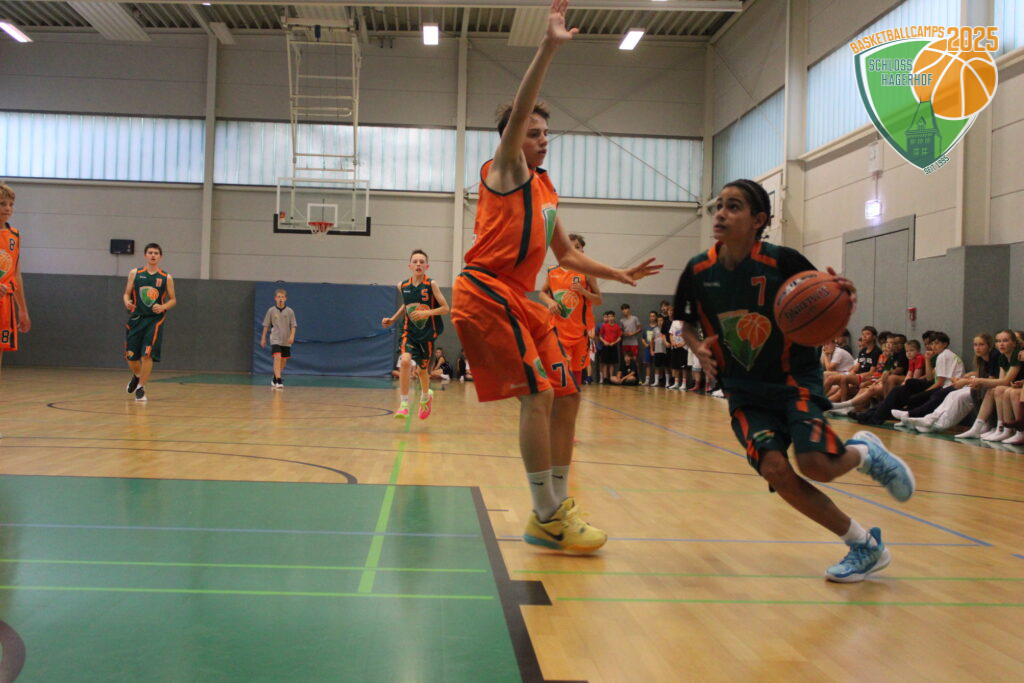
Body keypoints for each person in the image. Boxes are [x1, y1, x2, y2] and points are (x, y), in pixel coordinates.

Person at [450, 0, 661, 555]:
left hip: (520, 297)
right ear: (513, 137)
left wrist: (619, 272)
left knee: (568, 393)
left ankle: (558, 505)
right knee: (539, 394)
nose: (543, 138)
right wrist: (548, 47)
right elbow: (521, 109)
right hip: (485, 289)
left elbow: (565, 253)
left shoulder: (545, 189)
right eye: (534, 131)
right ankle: (544, 514)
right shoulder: (505, 169)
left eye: (547, 133)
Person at [675, 178, 915, 583]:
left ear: (759, 220)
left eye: (733, 206)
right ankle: (863, 545)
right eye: (719, 206)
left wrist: (843, 299)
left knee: (816, 465)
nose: (721, 214)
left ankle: (864, 453)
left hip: (793, 380)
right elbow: (685, 324)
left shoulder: (783, 261)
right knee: (775, 469)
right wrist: (698, 347)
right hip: (743, 390)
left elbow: (827, 300)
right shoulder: (698, 270)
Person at [382, 249, 450, 420]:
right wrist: (393, 319)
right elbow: (406, 305)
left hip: (427, 334)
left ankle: (426, 397)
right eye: (415, 261)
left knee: (422, 372)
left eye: (421, 262)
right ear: (410, 265)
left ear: (427, 266)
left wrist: (426, 313)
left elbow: (445, 308)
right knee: (405, 361)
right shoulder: (402, 286)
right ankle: (404, 404)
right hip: (409, 331)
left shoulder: (431, 284)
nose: (418, 264)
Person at [538, 232, 602, 387]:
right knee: (561, 370)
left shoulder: (588, 272)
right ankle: (559, 397)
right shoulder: (553, 271)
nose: (576, 250)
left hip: (581, 332)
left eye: (578, 247)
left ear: (582, 250)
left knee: (577, 371)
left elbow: (599, 300)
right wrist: (550, 302)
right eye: (571, 247)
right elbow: (542, 293)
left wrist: (583, 291)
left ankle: (574, 398)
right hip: (559, 330)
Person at [123, 243, 176, 402]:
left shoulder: (166, 277)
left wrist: (163, 306)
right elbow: (126, 294)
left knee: (147, 355)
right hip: (136, 318)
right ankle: (137, 375)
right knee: (131, 356)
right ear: (145, 255)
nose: (153, 255)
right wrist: (127, 302)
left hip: (154, 320)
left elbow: (173, 300)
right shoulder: (135, 273)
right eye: (150, 252)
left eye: (156, 253)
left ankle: (141, 387)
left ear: (160, 256)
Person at [0, 183, 31, 382]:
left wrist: (23, 310)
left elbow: (16, 274)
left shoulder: (14, 235)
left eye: (11, 204)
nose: (7, 208)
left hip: (6, 301)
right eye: (2, 204)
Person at [260, 288, 297, 389]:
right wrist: (263, 338)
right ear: (275, 298)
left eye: (282, 297)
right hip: (275, 338)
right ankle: (279, 380)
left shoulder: (290, 311)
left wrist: (292, 336)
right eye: (279, 297)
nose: (280, 299)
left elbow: (293, 325)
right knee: (277, 357)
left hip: (286, 339)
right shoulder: (271, 311)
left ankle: (275, 376)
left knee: (283, 360)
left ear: (285, 298)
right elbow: (266, 325)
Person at [598, 310, 622, 383]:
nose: (610, 318)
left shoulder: (617, 326)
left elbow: (619, 337)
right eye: (609, 317)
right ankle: (605, 378)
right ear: (607, 318)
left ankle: (611, 378)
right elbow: (600, 336)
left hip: (613, 346)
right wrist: (604, 341)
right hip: (605, 346)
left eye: (612, 316)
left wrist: (614, 342)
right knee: (605, 363)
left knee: (612, 363)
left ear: (614, 317)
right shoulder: (604, 326)